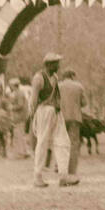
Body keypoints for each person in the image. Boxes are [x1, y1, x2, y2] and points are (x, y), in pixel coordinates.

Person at [29, 52, 71, 187]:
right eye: (56, 64)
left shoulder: (54, 77)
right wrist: (33, 117)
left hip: (56, 112)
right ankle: (37, 176)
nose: (58, 66)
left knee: (63, 142)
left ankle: (63, 176)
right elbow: (33, 100)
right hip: (44, 111)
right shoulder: (39, 78)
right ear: (48, 65)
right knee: (42, 143)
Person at [59, 66, 86, 182]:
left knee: (61, 143)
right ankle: (72, 171)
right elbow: (84, 103)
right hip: (75, 118)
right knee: (74, 144)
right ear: (72, 76)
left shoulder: (58, 86)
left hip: (61, 118)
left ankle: (60, 168)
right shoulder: (78, 86)